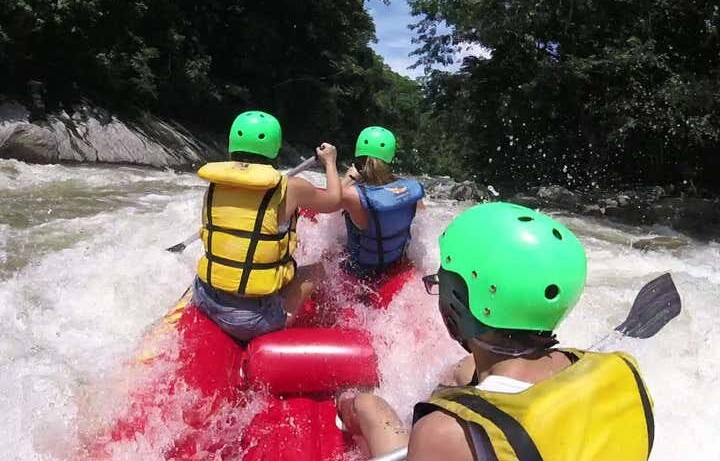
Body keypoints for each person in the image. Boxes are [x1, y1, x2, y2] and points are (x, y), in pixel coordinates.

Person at [337, 202, 655, 461]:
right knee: (460, 372)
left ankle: (348, 407)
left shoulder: (441, 433)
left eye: (440, 283)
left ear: (459, 306)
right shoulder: (625, 371)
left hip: (449, 446)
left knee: (369, 406)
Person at [191, 110, 342, 342]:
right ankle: (323, 322)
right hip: (250, 321)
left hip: (205, 298)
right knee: (318, 270)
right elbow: (333, 201)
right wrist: (330, 162)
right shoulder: (291, 187)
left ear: (232, 145)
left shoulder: (215, 185)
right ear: (275, 149)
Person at [339, 126, 424, 278]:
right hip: (393, 263)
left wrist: (347, 178)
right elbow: (422, 217)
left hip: (359, 272)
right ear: (389, 157)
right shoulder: (410, 190)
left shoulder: (353, 195)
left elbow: (329, 202)